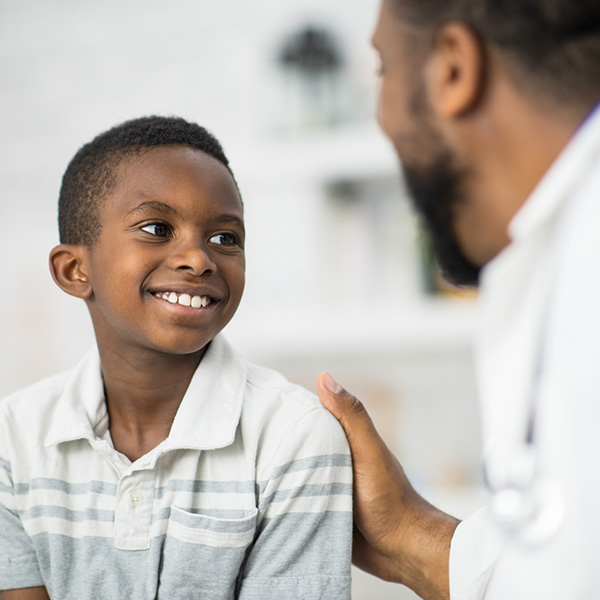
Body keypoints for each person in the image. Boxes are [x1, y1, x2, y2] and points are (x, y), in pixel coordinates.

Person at [0, 116, 353, 599]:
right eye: (156, 228)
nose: (199, 258)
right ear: (74, 270)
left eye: (225, 238)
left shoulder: (294, 438)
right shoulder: (12, 439)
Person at [316, 0, 600, 598]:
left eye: (382, 68)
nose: (382, 116)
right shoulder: (553, 256)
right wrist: (404, 533)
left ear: (452, 68)